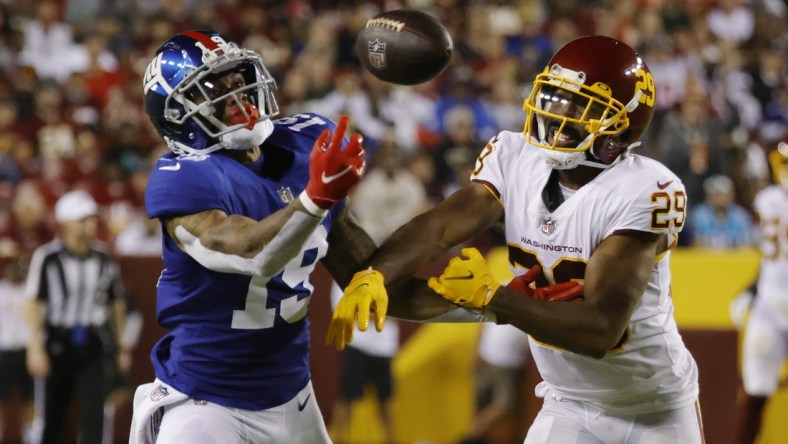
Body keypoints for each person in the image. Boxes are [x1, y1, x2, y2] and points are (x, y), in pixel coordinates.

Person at [329, 35, 705, 443]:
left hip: (654, 407)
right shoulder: (515, 155)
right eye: (554, 97)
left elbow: (600, 329)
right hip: (568, 402)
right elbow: (441, 225)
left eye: (578, 105)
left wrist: (496, 300)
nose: (556, 113)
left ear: (620, 125)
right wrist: (375, 274)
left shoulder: (644, 189)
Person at [129, 30, 377, 444]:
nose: (239, 95)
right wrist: (315, 197)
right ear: (177, 114)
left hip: (294, 396)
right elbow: (251, 255)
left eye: (238, 77)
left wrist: (488, 304)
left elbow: (364, 266)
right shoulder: (183, 178)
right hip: (206, 403)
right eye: (214, 88)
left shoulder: (304, 142)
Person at [23, 189, 132, 444]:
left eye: (91, 219)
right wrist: (35, 346)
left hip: (93, 340)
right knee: (52, 413)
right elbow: (33, 303)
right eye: (82, 220)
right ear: (66, 223)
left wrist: (122, 345)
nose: (89, 225)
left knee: (96, 413)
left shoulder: (104, 257)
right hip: (58, 340)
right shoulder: (48, 257)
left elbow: (115, 303)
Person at [734, 144, 788, 444]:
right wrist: (754, 287)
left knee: (755, 396)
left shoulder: (767, 199)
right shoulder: (768, 199)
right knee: (755, 392)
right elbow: (773, 258)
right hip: (769, 303)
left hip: (769, 304)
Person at [0, 255, 34, 443]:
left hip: (27, 350)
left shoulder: (31, 291)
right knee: (1, 396)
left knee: (30, 397)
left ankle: (30, 437)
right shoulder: (1, 290)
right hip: (5, 351)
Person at [689, 174, 755, 249]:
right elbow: (696, 245)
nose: (722, 198)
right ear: (709, 196)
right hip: (707, 259)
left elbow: (748, 245)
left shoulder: (741, 215)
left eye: (726, 194)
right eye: (718, 194)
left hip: (735, 259)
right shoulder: (699, 215)